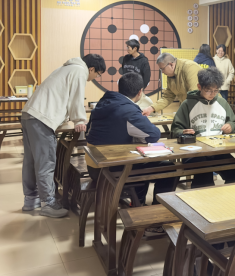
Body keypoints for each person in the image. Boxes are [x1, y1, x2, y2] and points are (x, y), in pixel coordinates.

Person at [21, 54, 105, 218]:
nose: (95, 78)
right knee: (46, 162)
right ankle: (49, 203)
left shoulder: (66, 68)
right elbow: (76, 98)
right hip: (41, 119)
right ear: (92, 69)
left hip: (29, 114)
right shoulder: (79, 71)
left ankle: (31, 199)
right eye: (98, 74)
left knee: (31, 161)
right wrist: (79, 119)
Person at [86, 72, 178, 219]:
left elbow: (87, 132)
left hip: (93, 166)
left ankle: (137, 203)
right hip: (112, 170)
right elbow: (154, 135)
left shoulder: (103, 102)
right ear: (140, 91)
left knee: (140, 162)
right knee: (169, 167)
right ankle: (156, 212)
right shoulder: (128, 110)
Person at [171, 67, 235, 188]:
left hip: (218, 150)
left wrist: (230, 126)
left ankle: (228, 198)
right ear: (199, 87)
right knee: (205, 175)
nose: (212, 94)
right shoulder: (188, 104)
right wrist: (182, 132)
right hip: (194, 153)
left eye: (216, 90)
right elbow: (175, 130)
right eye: (208, 90)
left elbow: (233, 122)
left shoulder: (222, 103)